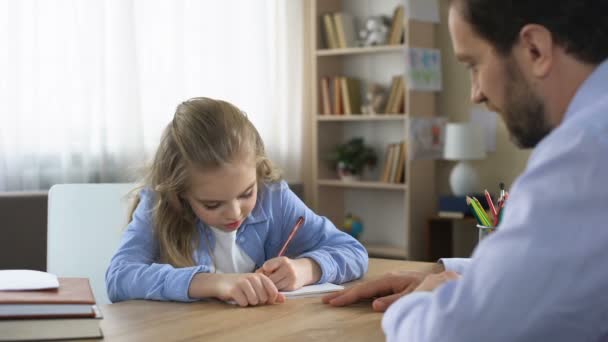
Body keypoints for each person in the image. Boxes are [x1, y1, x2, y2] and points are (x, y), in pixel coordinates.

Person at [324, 0, 608, 340]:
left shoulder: (583, 155)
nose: (475, 94)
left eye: (473, 65)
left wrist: (415, 303)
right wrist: (456, 275)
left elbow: (452, 334)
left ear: (535, 49)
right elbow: (569, 262)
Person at [106, 97, 368, 306]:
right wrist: (215, 283)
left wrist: (305, 269)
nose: (234, 212)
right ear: (180, 193)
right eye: (212, 204)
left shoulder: (273, 198)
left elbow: (353, 252)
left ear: (258, 170)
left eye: (246, 193)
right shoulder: (158, 205)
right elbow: (119, 278)